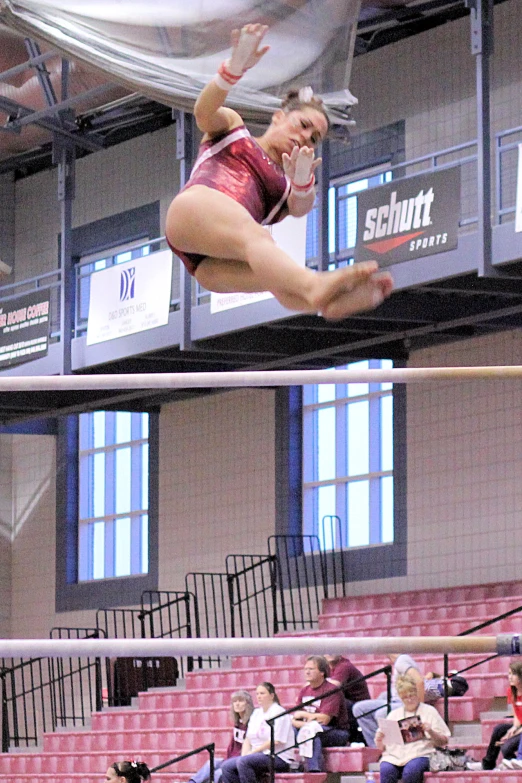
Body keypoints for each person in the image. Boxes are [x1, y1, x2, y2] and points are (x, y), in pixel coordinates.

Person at [165, 23, 394, 321]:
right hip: (192, 212)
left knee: (274, 278)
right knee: (258, 238)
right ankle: (315, 286)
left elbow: (302, 207)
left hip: (209, 266)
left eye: (314, 139)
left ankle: (325, 304)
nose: (305, 137)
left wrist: (301, 182)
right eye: (303, 125)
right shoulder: (234, 131)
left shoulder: (285, 188)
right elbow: (203, 112)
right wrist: (231, 71)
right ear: (279, 117)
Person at [375, 675, 451, 783]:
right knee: (386, 770)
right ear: (401, 699)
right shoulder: (394, 715)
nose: (410, 699)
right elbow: (382, 748)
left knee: (411, 771)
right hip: (394, 756)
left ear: (417, 694)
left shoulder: (429, 711)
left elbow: (444, 740)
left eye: (412, 695)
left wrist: (430, 731)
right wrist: (379, 739)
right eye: (405, 697)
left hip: (421, 753)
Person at [220, 682, 294, 783]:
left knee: (244, 762)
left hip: (278, 756)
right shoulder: (256, 713)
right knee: (227, 766)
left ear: (271, 695)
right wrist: (244, 754)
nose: (259, 696)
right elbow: (248, 739)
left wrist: (252, 753)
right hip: (257, 755)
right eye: (257, 694)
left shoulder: (279, 712)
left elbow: (276, 741)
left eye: (262, 693)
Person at [292, 655, 350, 772]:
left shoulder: (331, 690)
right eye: (306, 669)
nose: (307, 672)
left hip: (336, 731)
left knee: (312, 733)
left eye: (311, 669)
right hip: (311, 729)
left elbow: (325, 719)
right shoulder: (304, 691)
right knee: (292, 730)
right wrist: (309, 723)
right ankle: (290, 765)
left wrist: (306, 717)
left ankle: (314, 771)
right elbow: (294, 719)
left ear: (322, 672)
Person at [352, 654, 424, 747]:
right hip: (393, 701)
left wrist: (421, 708)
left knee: (381, 713)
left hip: (403, 702)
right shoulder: (399, 661)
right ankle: (377, 748)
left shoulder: (401, 661)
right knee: (359, 708)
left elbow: (419, 681)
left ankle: (390, 747)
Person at [187, 690, 254, 783]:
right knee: (212, 762)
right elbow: (232, 746)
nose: (237, 704)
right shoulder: (238, 723)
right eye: (235, 701)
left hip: (242, 759)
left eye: (240, 701)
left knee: (218, 773)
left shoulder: (252, 722)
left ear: (248, 704)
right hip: (231, 758)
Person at [466, 660, 522, 770]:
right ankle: (488, 763)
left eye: (513, 674)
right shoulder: (511, 691)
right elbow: (517, 714)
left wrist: (515, 732)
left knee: (506, 748)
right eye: (509, 673)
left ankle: (519, 761)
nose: (510, 677)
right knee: (499, 729)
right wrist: (514, 727)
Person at [324, 653, 371, 744]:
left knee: (335, 701)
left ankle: (347, 736)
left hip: (359, 708)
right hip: (348, 709)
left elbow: (333, 687)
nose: (330, 652)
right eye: (326, 650)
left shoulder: (344, 666)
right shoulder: (325, 668)